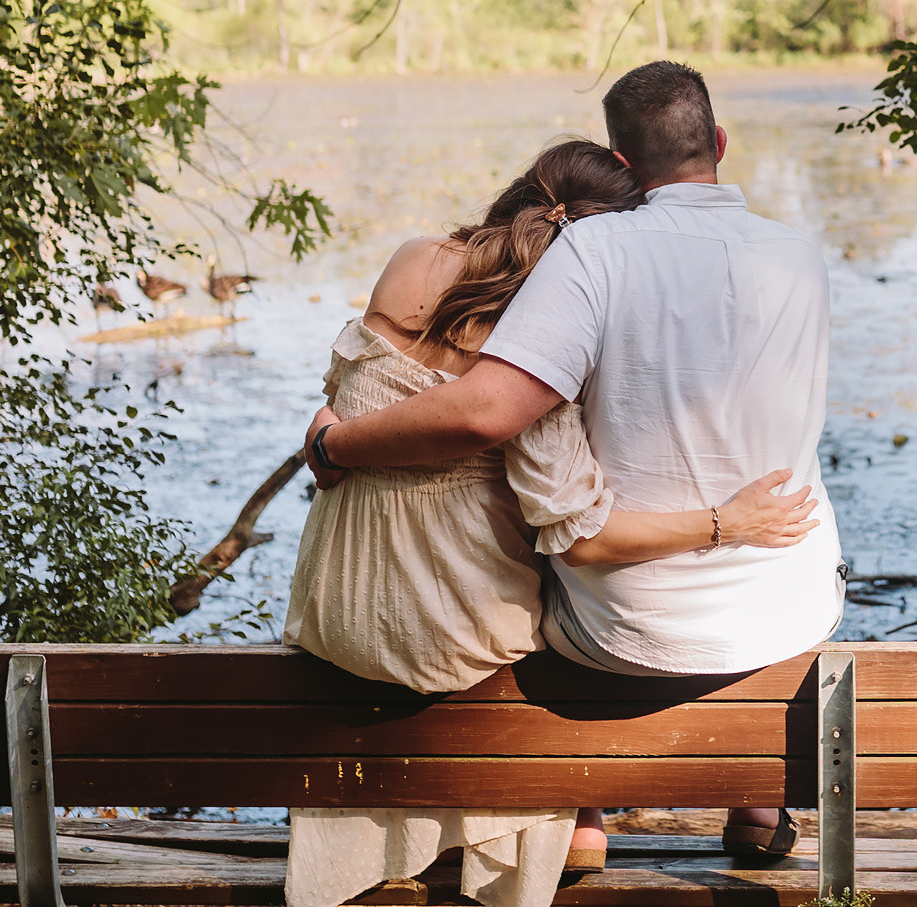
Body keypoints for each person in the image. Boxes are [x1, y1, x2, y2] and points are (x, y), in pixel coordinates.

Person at [307, 61, 845, 869]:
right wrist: (730, 521)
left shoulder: (589, 252)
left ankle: (585, 812)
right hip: (787, 610)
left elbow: (494, 412)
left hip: (619, 630)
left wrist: (333, 443)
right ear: (721, 143)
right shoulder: (800, 255)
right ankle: (756, 797)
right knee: (773, 468)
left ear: (625, 163)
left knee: (545, 522)